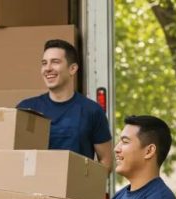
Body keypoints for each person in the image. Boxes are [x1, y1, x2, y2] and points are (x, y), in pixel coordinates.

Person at [17, 39, 113, 170]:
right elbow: (14, 154)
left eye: (55, 62)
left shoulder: (92, 110)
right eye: (44, 63)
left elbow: (106, 160)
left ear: (72, 69)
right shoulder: (27, 108)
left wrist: (91, 186)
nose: (48, 68)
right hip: (36, 188)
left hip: (76, 189)